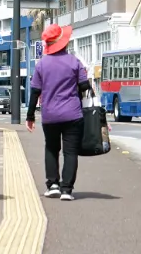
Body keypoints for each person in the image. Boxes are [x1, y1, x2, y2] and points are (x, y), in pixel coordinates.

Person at [25, 23, 92, 201]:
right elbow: (85, 86)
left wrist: (30, 116)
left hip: (50, 115)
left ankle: (52, 184)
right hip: (73, 114)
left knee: (51, 148)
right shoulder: (74, 61)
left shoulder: (41, 64)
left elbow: (35, 93)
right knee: (70, 152)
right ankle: (67, 190)